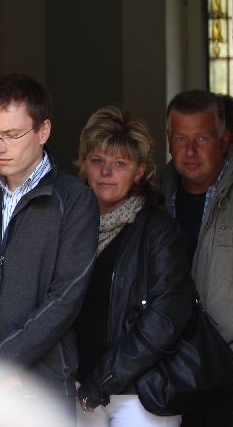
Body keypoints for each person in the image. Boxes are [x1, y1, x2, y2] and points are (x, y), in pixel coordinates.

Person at [0, 73, 98, 410]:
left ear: (44, 131)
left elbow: (66, 298)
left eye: (12, 135)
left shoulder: (74, 201)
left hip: (41, 386)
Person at [74, 105, 194, 426]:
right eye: (97, 160)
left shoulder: (158, 230)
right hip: (79, 388)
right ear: (84, 165)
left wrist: (103, 381)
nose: (106, 172)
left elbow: (165, 318)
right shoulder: (70, 228)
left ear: (139, 171)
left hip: (140, 394)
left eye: (120, 163)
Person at [161, 90, 233, 427]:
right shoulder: (151, 195)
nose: (190, 151)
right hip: (165, 367)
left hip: (230, 366)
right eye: (181, 138)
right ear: (169, 141)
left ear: (224, 140)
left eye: (202, 138)